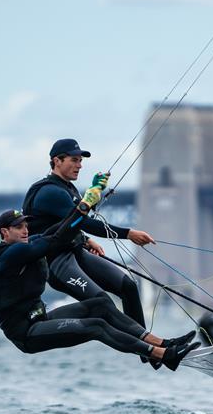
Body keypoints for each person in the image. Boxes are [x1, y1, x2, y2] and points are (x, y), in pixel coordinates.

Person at [0, 204, 199, 370]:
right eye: (18, 227)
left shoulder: (25, 244)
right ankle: (163, 356)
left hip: (39, 319)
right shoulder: (9, 254)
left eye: (26, 225)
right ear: (4, 232)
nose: (25, 230)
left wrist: (84, 211)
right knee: (96, 326)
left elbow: (56, 230)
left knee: (99, 306)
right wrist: (82, 208)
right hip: (26, 333)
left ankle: (163, 343)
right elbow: (55, 241)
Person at [22, 138, 154, 328]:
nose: (80, 165)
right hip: (56, 263)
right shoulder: (50, 192)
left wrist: (85, 239)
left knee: (128, 286)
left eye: (80, 160)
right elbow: (84, 221)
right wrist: (128, 233)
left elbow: (68, 222)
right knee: (103, 304)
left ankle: (150, 350)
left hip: (74, 253)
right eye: (74, 160)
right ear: (57, 161)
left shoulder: (66, 187)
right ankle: (150, 349)